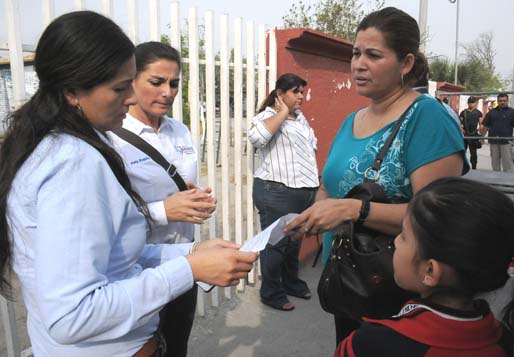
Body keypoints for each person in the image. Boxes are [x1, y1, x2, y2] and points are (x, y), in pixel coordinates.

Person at [0, 11, 257, 356]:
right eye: (122, 88)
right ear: (73, 90)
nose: (132, 98)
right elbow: (72, 315)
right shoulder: (73, 162)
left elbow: (116, 255)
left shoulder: (56, 145)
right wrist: (189, 268)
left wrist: (190, 251)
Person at [285, 7, 466, 344]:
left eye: (373, 54)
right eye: (355, 53)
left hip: (400, 285)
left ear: (406, 63)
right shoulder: (352, 119)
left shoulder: (427, 118)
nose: (358, 64)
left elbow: (438, 219)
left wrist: (353, 210)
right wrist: (316, 214)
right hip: (347, 275)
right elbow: (329, 185)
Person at [336, 177, 514, 357]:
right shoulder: (505, 338)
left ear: (430, 271)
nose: (396, 242)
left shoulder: (370, 344)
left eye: (403, 236)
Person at [108, 41, 215, 357]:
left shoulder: (179, 131)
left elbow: (181, 184)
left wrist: (197, 198)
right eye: (156, 82)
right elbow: (105, 218)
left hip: (184, 261)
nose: (167, 92)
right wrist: (161, 210)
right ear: (132, 81)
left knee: (178, 343)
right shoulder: (112, 137)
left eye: (174, 84)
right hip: (139, 269)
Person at [248, 73, 319, 312]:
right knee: (276, 243)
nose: (301, 96)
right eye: (295, 92)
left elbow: (311, 146)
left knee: (294, 241)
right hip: (277, 190)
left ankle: (290, 282)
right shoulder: (267, 116)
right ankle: (270, 291)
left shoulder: (300, 118)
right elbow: (257, 138)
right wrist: (280, 113)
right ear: (280, 94)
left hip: (303, 190)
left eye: (302, 92)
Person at [481, 93, 514, 172]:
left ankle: (506, 182)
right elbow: (486, 126)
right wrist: (482, 138)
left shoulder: (513, 112)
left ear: (507, 101)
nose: (502, 102)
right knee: (495, 163)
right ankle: (496, 181)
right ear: (498, 101)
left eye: (504, 101)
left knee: (507, 164)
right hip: (493, 141)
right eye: (500, 101)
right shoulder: (491, 112)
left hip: (506, 142)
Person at [460, 96, 484, 169]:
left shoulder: (478, 112)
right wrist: (461, 129)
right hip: (465, 135)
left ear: (475, 103)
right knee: (462, 152)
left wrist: (482, 137)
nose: (470, 104)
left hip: (474, 135)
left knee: (473, 153)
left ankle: (474, 167)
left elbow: (481, 124)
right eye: (469, 103)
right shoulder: (463, 112)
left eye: (472, 103)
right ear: (467, 103)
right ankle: (462, 167)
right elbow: (459, 123)